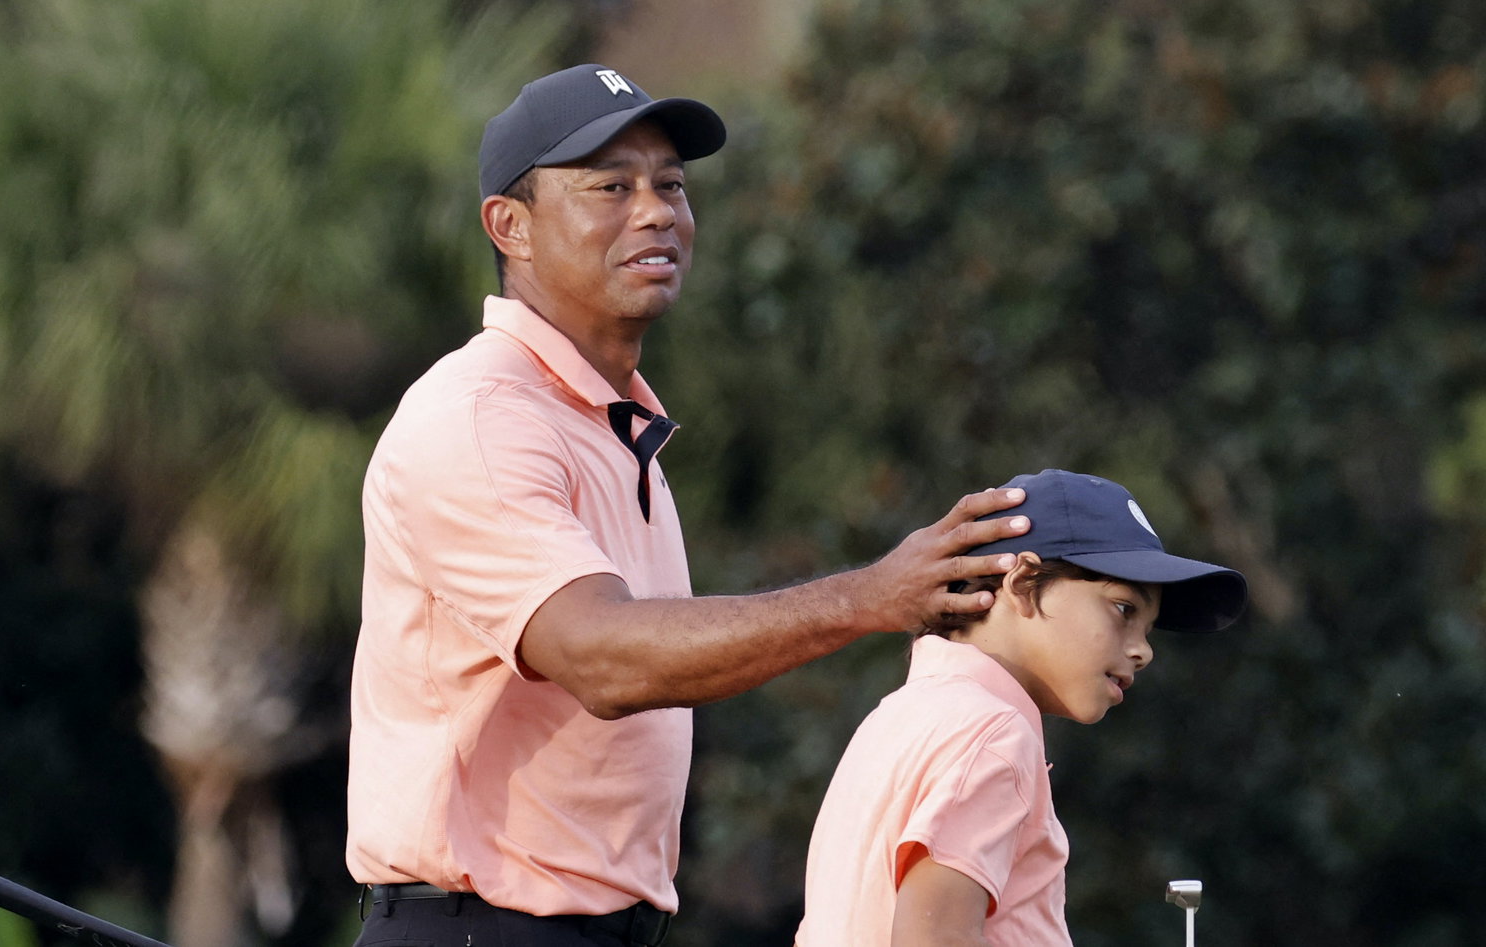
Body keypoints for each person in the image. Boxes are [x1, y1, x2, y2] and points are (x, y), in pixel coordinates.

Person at [344, 64, 1031, 947]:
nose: (657, 210)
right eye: (611, 187)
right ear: (508, 225)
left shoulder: (612, 423)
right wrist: (870, 597)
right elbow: (603, 659)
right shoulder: (479, 417)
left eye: (671, 184)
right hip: (480, 931)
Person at [793, 469, 1249, 947]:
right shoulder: (994, 734)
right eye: (1123, 609)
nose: (1142, 650)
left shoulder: (893, 719)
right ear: (1024, 581)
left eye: (1148, 628)